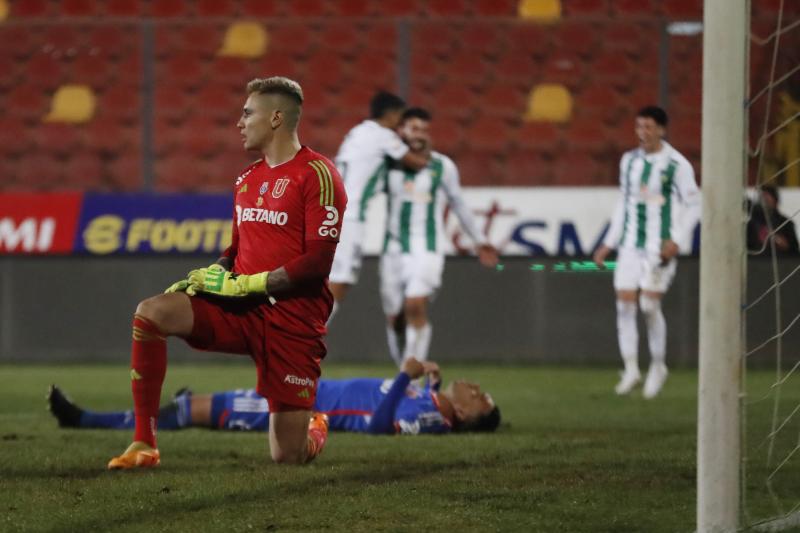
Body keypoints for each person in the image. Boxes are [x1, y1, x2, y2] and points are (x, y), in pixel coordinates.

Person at [107, 76, 346, 469]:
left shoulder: (319, 174)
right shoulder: (247, 178)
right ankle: (144, 444)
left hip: (292, 322)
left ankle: (315, 428)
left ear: (275, 118)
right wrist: (210, 274)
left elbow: (318, 262)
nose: (239, 122)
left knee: (287, 456)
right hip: (240, 310)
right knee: (152, 312)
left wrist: (251, 284)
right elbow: (235, 250)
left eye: (247, 113)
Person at [49, 358, 501, 435]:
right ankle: (195, 407)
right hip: (300, 388)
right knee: (196, 403)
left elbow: (382, 425)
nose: (477, 388)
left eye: (481, 399)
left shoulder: (432, 420)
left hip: (299, 407)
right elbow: (418, 404)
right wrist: (431, 383)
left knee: (186, 410)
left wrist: (403, 377)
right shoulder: (433, 403)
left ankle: (84, 420)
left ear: (464, 414)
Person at [593, 106, 700, 399]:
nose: (643, 132)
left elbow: (695, 205)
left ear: (662, 129)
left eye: (649, 127)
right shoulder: (629, 161)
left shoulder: (677, 164)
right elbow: (624, 203)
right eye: (639, 126)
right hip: (630, 244)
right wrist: (608, 242)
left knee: (649, 305)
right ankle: (631, 369)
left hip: (659, 247)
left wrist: (677, 240)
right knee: (625, 305)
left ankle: (658, 366)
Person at [381, 108, 498, 366]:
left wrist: (480, 240)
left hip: (428, 247)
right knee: (395, 319)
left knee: (415, 305)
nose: (420, 135)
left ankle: (409, 379)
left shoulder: (442, 166)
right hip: (393, 250)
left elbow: (458, 203)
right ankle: (403, 371)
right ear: (401, 131)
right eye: (414, 128)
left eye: (424, 130)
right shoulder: (387, 164)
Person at [328, 91, 429, 321]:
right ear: (391, 114)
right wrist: (424, 144)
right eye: (401, 117)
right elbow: (418, 163)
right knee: (341, 279)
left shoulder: (357, 132)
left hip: (330, 212)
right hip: (350, 217)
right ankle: (307, 334)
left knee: (325, 279)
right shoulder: (384, 136)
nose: (402, 124)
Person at [746, 184, 799, 255]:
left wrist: (784, 244)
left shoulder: (786, 223)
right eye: (761, 200)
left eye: (767, 200)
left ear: (775, 201)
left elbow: (794, 251)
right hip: (756, 260)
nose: (763, 203)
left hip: (780, 260)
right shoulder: (752, 223)